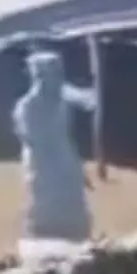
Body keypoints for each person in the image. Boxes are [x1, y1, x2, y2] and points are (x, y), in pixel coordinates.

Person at [12, 50, 98, 258]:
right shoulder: (27, 107)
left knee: (74, 207)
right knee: (46, 207)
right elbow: (35, 139)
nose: (58, 80)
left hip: (64, 160)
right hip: (43, 166)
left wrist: (76, 168)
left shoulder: (60, 101)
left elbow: (86, 103)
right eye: (55, 74)